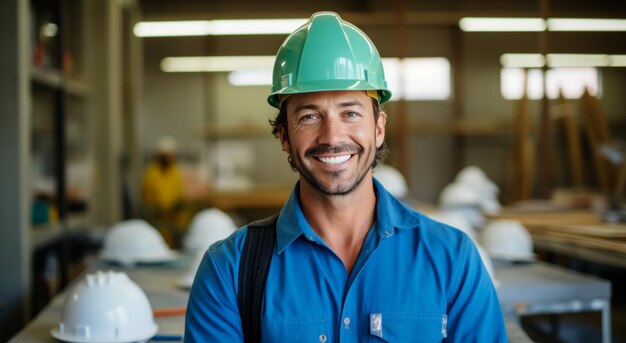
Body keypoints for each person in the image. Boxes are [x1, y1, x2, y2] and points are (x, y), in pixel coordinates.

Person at [185, 12, 507, 342]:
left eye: (350, 113)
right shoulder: (229, 270)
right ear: (283, 135)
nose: (331, 136)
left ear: (379, 128)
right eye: (309, 116)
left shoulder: (451, 259)